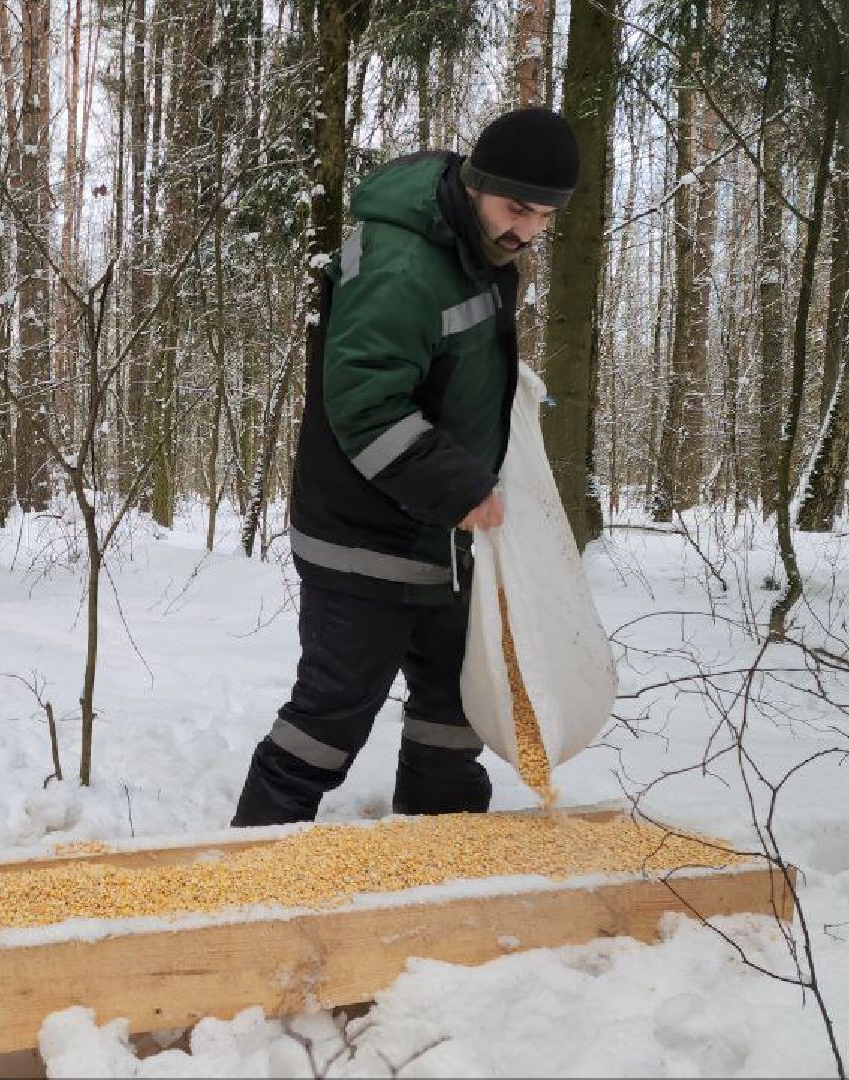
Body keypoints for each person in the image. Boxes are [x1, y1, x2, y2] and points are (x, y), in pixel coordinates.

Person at [231, 106, 579, 828]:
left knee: (452, 712)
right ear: (476, 183)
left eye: (543, 217)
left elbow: (434, 370)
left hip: (436, 537)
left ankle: (438, 849)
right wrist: (458, 485)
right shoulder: (404, 262)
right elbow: (365, 403)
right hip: (364, 536)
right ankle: (251, 868)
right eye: (515, 209)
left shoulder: (468, 249)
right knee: (327, 720)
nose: (526, 230)